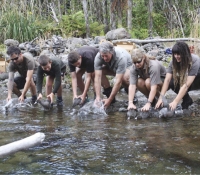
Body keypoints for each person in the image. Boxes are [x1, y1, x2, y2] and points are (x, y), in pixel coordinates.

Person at [155, 41, 200, 110]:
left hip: (197, 80)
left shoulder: (195, 60)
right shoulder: (173, 61)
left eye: (178, 54)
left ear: (185, 54)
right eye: (175, 54)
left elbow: (186, 85)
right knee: (172, 82)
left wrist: (175, 102)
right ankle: (187, 100)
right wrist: (161, 98)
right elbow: (167, 80)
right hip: (186, 80)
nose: (176, 56)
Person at [94, 42, 133, 108]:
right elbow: (97, 77)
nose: (104, 58)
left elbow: (118, 81)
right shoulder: (98, 57)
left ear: (111, 52)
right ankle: (108, 92)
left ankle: (131, 94)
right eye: (102, 56)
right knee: (99, 72)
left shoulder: (121, 57)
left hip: (127, 67)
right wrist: (98, 97)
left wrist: (109, 100)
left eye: (106, 56)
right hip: (112, 67)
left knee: (124, 78)